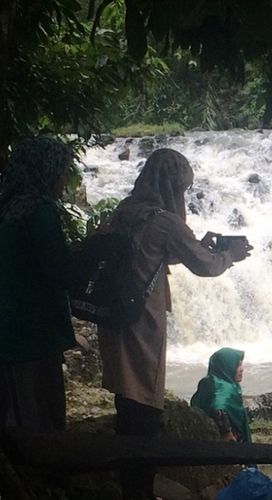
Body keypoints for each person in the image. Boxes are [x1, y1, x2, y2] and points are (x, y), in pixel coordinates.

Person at [97, 148, 251, 499]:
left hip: (114, 317)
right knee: (146, 405)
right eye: (182, 188)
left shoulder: (126, 211)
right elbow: (205, 266)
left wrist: (199, 244)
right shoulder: (164, 221)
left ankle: (130, 484)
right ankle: (140, 488)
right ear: (173, 184)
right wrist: (230, 255)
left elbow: (153, 253)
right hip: (142, 322)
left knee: (126, 397)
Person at [0, 137, 75, 431]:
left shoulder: (6, 207)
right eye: (62, 171)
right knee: (41, 415)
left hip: (7, 326)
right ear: (46, 170)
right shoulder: (40, 211)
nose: (64, 180)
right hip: (33, 330)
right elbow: (59, 270)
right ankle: (43, 474)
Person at [190, 347, 251, 443]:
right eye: (238, 365)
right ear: (227, 366)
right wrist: (226, 432)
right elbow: (219, 405)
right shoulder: (226, 387)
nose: (242, 369)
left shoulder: (208, 382)